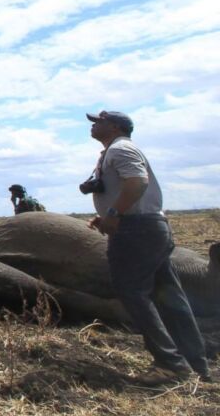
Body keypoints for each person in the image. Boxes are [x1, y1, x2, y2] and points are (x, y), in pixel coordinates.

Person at [83, 110, 210, 384]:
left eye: (99, 122)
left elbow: (138, 182)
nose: (93, 126)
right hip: (148, 226)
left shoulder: (121, 149)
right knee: (169, 294)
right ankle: (196, 362)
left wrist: (115, 215)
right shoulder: (112, 152)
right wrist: (106, 214)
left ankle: (170, 363)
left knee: (132, 292)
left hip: (135, 229)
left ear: (115, 126)